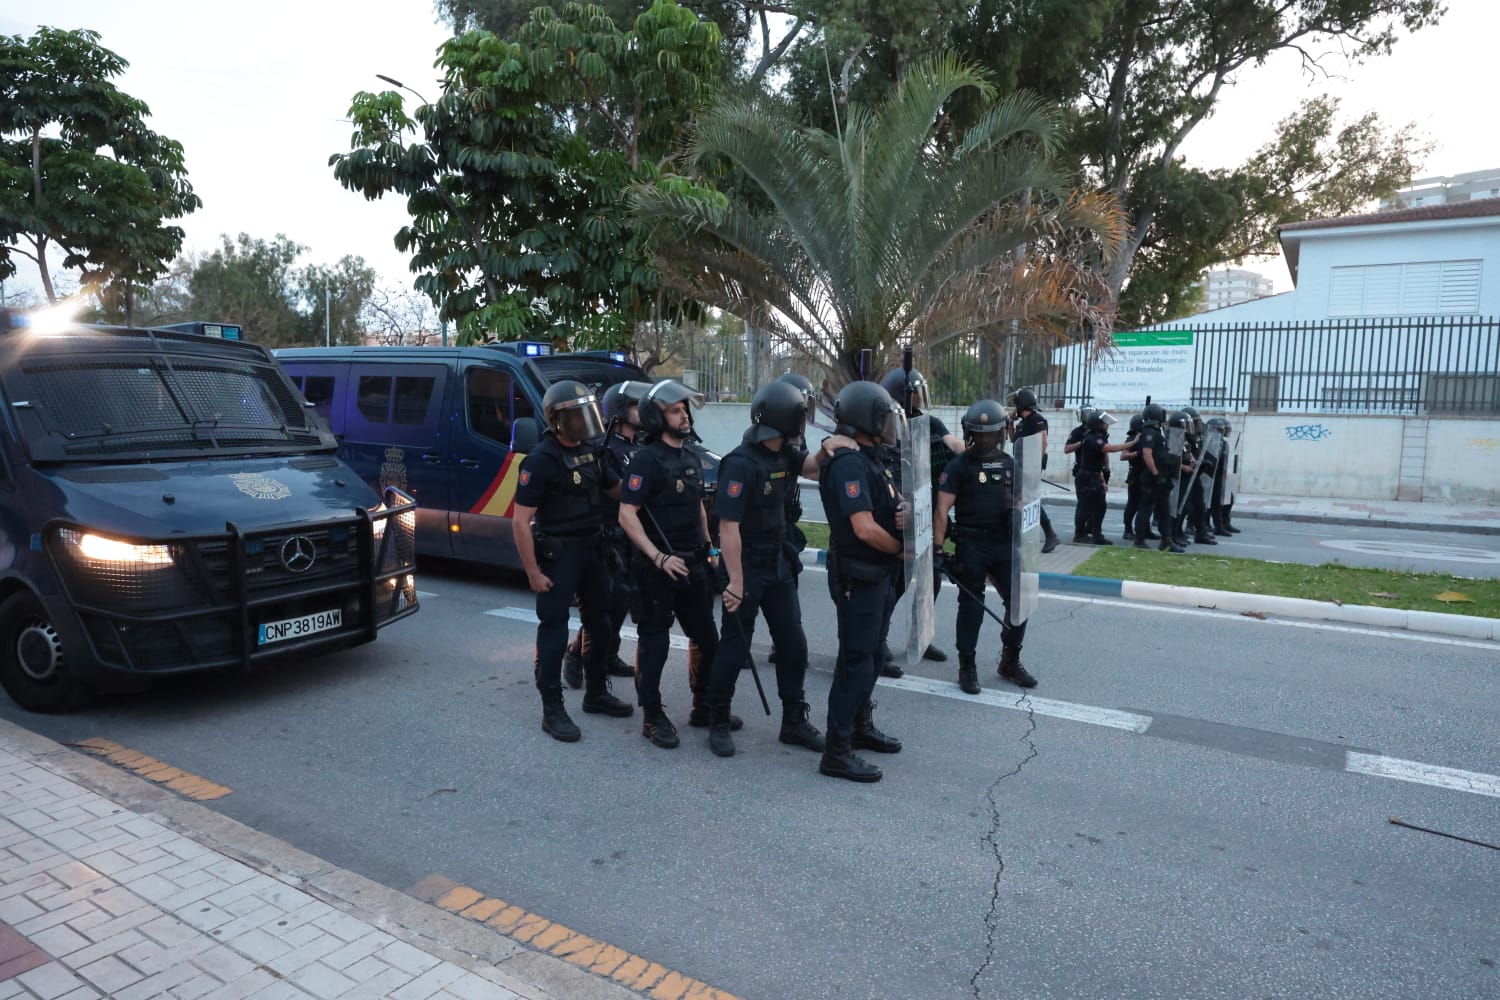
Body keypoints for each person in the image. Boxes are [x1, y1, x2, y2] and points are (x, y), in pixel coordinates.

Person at [702, 380, 833, 757]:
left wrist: (828, 448)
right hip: (745, 567)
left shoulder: (786, 453)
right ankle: (719, 719)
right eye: (800, 415)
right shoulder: (741, 463)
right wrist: (736, 582)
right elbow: (727, 526)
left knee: (794, 645)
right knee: (733, 647)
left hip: (777, 563)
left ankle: (793, 721)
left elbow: (810, 468)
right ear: (786, 419)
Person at [511, 381, 634, 742]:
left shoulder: (594, 451)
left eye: (587, 413)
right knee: (553, 631)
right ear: (556, 420)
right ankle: (553, 710)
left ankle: (596, 693)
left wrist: (646, 474)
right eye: (575, 416)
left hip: (594, 551)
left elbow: (617, 489)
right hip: (559, 555)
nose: (584, 422)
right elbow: (520, 521)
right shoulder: (541, 459)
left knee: (602, 625)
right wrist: (533, 571)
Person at [617, 379, 721, 749]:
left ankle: (703, 704)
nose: (684, 416)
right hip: (657, 570)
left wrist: (711, 551)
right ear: (656, 417)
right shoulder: (646, 459)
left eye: (685, 409)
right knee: (655, 644)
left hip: (693, 564)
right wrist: (658, 557)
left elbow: (696, 506)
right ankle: (652, 716)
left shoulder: (690, 456)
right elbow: (626, 513)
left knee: (708, 639)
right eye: (676, 410)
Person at [817, 380, 908, 783]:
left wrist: (903, 512)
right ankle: (836, 751)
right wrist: (900, 549)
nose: (890, 424)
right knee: (855, 661)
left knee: (871, 656)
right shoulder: (849, 462)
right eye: (884, 417)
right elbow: (864, 528)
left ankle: (858, 727)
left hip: (878, 573)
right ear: (866, 420)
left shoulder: (874, 457)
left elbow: (885, 506)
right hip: (860, 573)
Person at [934, 399, 1038, 694]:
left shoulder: (1010, 463)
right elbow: (942, 510)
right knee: (972, 608)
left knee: (1020, 603)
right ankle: (967, 666)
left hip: (1003, 542)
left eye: (989, 433)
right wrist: (938, 551)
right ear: (969, 433)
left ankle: (1009, 661)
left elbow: (1023, 500)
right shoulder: (958, 466)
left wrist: (1022, 518)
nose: (984, 439)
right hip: (971, 543)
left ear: (1001, 432)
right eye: (979, 434)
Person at [562, 380, 650, 689]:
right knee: (606, 603)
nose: (642, 411)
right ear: (620, 410)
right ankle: (575, 653)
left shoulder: (640, 446)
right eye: (637, 405)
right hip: (610, 535)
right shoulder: (606, 448)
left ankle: (609, 655)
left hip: (635, 535)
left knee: (625, 600)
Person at [877, 366, 957, 669]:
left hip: (923, 511)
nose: (919, 400)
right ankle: (879, 639)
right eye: (914, 393)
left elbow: (953, 445)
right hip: (895, 512)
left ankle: (919, 635)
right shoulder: (883, 425)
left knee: (930, 581)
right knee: (893, 585)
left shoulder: (928, 421)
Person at [1008, 388, 1060, 553]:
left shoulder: (1037, 419)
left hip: (1030, 467)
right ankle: (1020, 537)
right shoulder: (1023, 423)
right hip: (1020, 465)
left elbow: (1043, 441)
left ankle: (1050, 534)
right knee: (1020, 500)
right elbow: (1013, 439)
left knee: (1030, 501)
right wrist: (1010, 423)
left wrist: (1034, 466)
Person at [1134, 403, 1185, 553]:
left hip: (1162, 477)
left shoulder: (1159, 431)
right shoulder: (1149, 432)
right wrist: (1156, 474)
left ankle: (1166, 541)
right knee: (1145, 509)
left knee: (1164, 510)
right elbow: (1147, 454)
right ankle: (1139, 540)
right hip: (1152, 478)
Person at [1074, 409, 1129, 545]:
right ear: (1098, 424)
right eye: (1104, 423)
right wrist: (1132, 444)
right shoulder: (1092, 438)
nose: (1106, 425)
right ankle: (1080, 534)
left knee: (1100, 506)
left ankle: (1096, 534)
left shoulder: (1098, 436)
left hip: (1095, 475)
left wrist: (1103, 480)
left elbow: (1097, 462)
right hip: (1086, 477)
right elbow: (1110, 449)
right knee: (1084, 507)